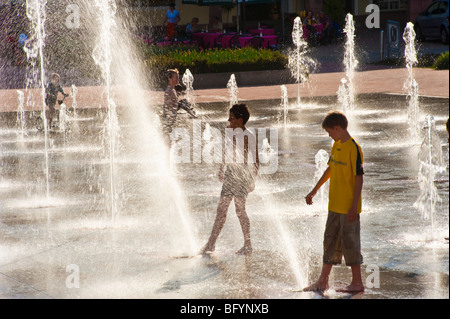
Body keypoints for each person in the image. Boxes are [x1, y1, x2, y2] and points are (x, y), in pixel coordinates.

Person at [303, 110, 365, 293]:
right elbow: (330, 169)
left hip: (348, 208)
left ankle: (357, 283)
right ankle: (323, 281)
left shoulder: (354, 148)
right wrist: (314, 190)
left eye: (330, 132)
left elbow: (359, 178)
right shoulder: (336, 145)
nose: (329, 135)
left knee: (351, 243)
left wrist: (354, 206)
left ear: (337, 128)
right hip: (334, 206)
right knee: (329, 242)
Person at [201, 104, 259, 256]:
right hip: (231, 173)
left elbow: (256, 160)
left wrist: (253, 179)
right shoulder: (229, 132)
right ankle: (211, 244)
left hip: (242, 175)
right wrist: (222, 168)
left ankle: (247, 244)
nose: (228, 120)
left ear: (240, 120)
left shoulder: (249, 135)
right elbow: (227, 151)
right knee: (221, 209)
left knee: (240, 210)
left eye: (231, 118)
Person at [162, 69, 180, 144]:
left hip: (171, 118)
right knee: (168, 139)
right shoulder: (169, 91)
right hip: (168, 118)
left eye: (178, 77)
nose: (178, 79)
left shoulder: (172, 90)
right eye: (176, 77)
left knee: (171, 140)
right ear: (170, 79)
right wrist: (171, 119)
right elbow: (168, 106)